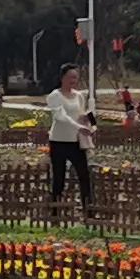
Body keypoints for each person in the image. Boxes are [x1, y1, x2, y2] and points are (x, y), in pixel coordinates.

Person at [43, 64, 95, 215]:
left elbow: (81, 114)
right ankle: (55, 211)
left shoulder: (79, 96)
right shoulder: (54, 96)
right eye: (71, 77)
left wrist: (91, 123)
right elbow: (60, 117)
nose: (74, 80)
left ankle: (88, 209)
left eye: (76, 77)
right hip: (59, 141)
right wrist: (78, 126)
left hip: (76, 142)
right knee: (58, 177)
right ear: (62, 78)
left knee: (84, 176)